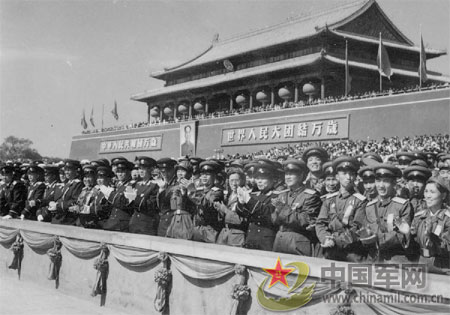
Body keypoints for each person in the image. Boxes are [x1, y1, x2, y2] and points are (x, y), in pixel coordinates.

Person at [316, 156, 367, 262]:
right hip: (329, 251)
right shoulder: (329, 200)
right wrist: (325, 238)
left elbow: (357, 229)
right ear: (337, 176)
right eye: (344, 173)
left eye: (352, 174)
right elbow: (320, 223)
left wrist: (336, 240)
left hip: (351, 253)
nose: (348, 177)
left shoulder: (360, 201)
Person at [361, 164, 414, 263]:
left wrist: (379, 239)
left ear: (394, 183)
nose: (381, 185)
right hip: (373, 259)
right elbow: (366, 231)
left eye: (385, 181)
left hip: (395, 259)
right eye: (378, 181)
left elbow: (404, 236)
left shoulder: (403, 205)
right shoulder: (370, 207)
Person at [272, 159, 322, 256]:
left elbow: (306, 220)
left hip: (298, 241)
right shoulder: (282, 194)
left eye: (292, 174)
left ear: (301, 176)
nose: (288, 177)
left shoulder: (310, 195)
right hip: (279, 239)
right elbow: (274, 220)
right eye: (286, 174)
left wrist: (282, 209)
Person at [236, 159, 279, 250]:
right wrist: (240, 203)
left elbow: (267, 213)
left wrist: (249, 200)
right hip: (251, 238)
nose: (259, 181)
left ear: (272, 179)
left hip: (266, 241)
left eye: (263, 178)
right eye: (257, 178)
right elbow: (243, 214)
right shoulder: (254, 195)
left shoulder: (277, 196)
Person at [411, 176, 450, 274]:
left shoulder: (447, 218)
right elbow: (413, 245)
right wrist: (406, 233)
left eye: (432, 192)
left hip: (442, 267)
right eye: (426, 191)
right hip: (422, 264)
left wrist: (434, 239)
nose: (427, 196)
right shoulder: (419, 217)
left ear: (443, 195)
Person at [190, 161, 224, 243]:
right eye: (202, 174)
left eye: (208, 174)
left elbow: (205, 203)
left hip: (210, 232)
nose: (204, 176)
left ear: (214, 176)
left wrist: (190, 189)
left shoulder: (217, 191)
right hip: (196, 229)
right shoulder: (199, 190)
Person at [215, 168, 248, 246]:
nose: (234, 183)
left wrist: (225, 210)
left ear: (242, 181)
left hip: (237, 236)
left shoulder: (246, 196)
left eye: (236, 180)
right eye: (231, 181)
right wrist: (219, 210)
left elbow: (243, 220)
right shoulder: (229, 195)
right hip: (225, 233)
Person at [102, 158, 136, 232]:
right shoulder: (118, 185)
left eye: (122, 172)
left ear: (129, 172)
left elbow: (127, 203)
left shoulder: (131, 185)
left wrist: (110, 194)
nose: (120, 174)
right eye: (118, 172)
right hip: (112, 223)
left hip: (122, 224)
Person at [129, 157, 159, 235]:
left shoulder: (155, 185)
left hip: (147, 225)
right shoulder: (136, 185)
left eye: (144, 168)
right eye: (139, 168)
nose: (141, 171)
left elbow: (150, 205)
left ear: (150, 170)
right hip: (134, 223)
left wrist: (134, 198)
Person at [50, 159, 84, 225]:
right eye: (66, 170)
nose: (66, 172)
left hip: (68, 218)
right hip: (60, 215)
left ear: (75, 171)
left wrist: (58, 205)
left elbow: (75, 201)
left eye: (69, 170)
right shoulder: (68, 183)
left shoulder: (77, 184)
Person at [155, 157, 178, 237]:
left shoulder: (177, 184)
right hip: (162, 223)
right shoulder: (161, 184)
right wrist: (161, 190)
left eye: (168, 171)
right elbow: (159, 206)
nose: (165, 174)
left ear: (173, 170)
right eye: (162, 172)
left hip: (173, 223)